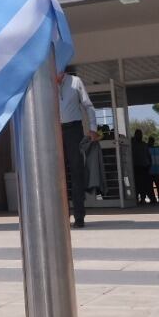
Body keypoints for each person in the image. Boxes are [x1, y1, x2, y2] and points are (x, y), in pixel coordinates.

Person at [56, 67, 96, 228]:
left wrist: (93, 128)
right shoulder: (46, 83)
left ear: (63, 70)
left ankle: (79, 216)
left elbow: (88, 105)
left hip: (73, 129)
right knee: (58, 175)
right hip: (55, 131)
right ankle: (60, 217)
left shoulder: (75, 82)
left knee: (76, 171)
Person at [130, 128, 154, 205]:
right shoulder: (132, 145)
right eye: (138, 134)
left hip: (144, 167)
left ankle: (143, 199)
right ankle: (136, 199)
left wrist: (149, 164)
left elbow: (149, 156)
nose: (139, 136)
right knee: (136, 184)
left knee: (144, 184)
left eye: (140, 134)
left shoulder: (144, 144)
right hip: (136, 166)